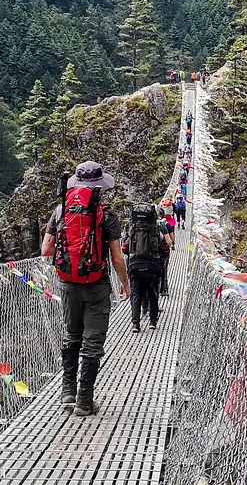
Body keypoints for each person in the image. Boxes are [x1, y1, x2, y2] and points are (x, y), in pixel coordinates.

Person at [42, 161, 130, 416]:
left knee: (72, 334)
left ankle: (67, 389)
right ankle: (84, 400)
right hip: (97, 285)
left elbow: (46, 250)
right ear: (100, 188)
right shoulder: (108, 215)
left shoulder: (60, 211)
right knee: (93, 343)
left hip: (68, 284)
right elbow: (117, 258)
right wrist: (124, 283)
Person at [121, 204, 170, 333]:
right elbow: (165, 248)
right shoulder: (157, 229)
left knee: (136, 293)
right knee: (153, 293)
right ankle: (152, 322)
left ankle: (135, 324)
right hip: (152, 265)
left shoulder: (132, 228)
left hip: (134, 265)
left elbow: (124, 248)